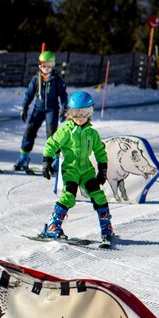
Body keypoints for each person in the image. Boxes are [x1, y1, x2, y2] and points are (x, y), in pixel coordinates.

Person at [39, 91, 113, 247]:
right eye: (75, 113)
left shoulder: (92, 133)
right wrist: (47, 161)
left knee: (98, 195)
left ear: (90, 113)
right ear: (69, 112)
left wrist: (103, 169)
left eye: (83, 113)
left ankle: (107, 228)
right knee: (69, 196)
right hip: (71, 169)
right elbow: (51, 144)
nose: (79, 117)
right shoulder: (66, 131)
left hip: (87, 170)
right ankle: (53, 226)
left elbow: (100, 151)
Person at [14, 50, 67, 171]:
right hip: (38, 109)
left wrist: (64, 108)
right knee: (29, 131)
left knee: (52, 135)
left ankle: (55, 161)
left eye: (50, 66)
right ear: (40, 65)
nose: (47, 69)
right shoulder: (36, 79)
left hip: (52, 110)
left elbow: (63, 96)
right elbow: (29, 94)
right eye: (44, 66)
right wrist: (24, 107)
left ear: (53, 66)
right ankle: (23, 158)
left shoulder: (57, 80)